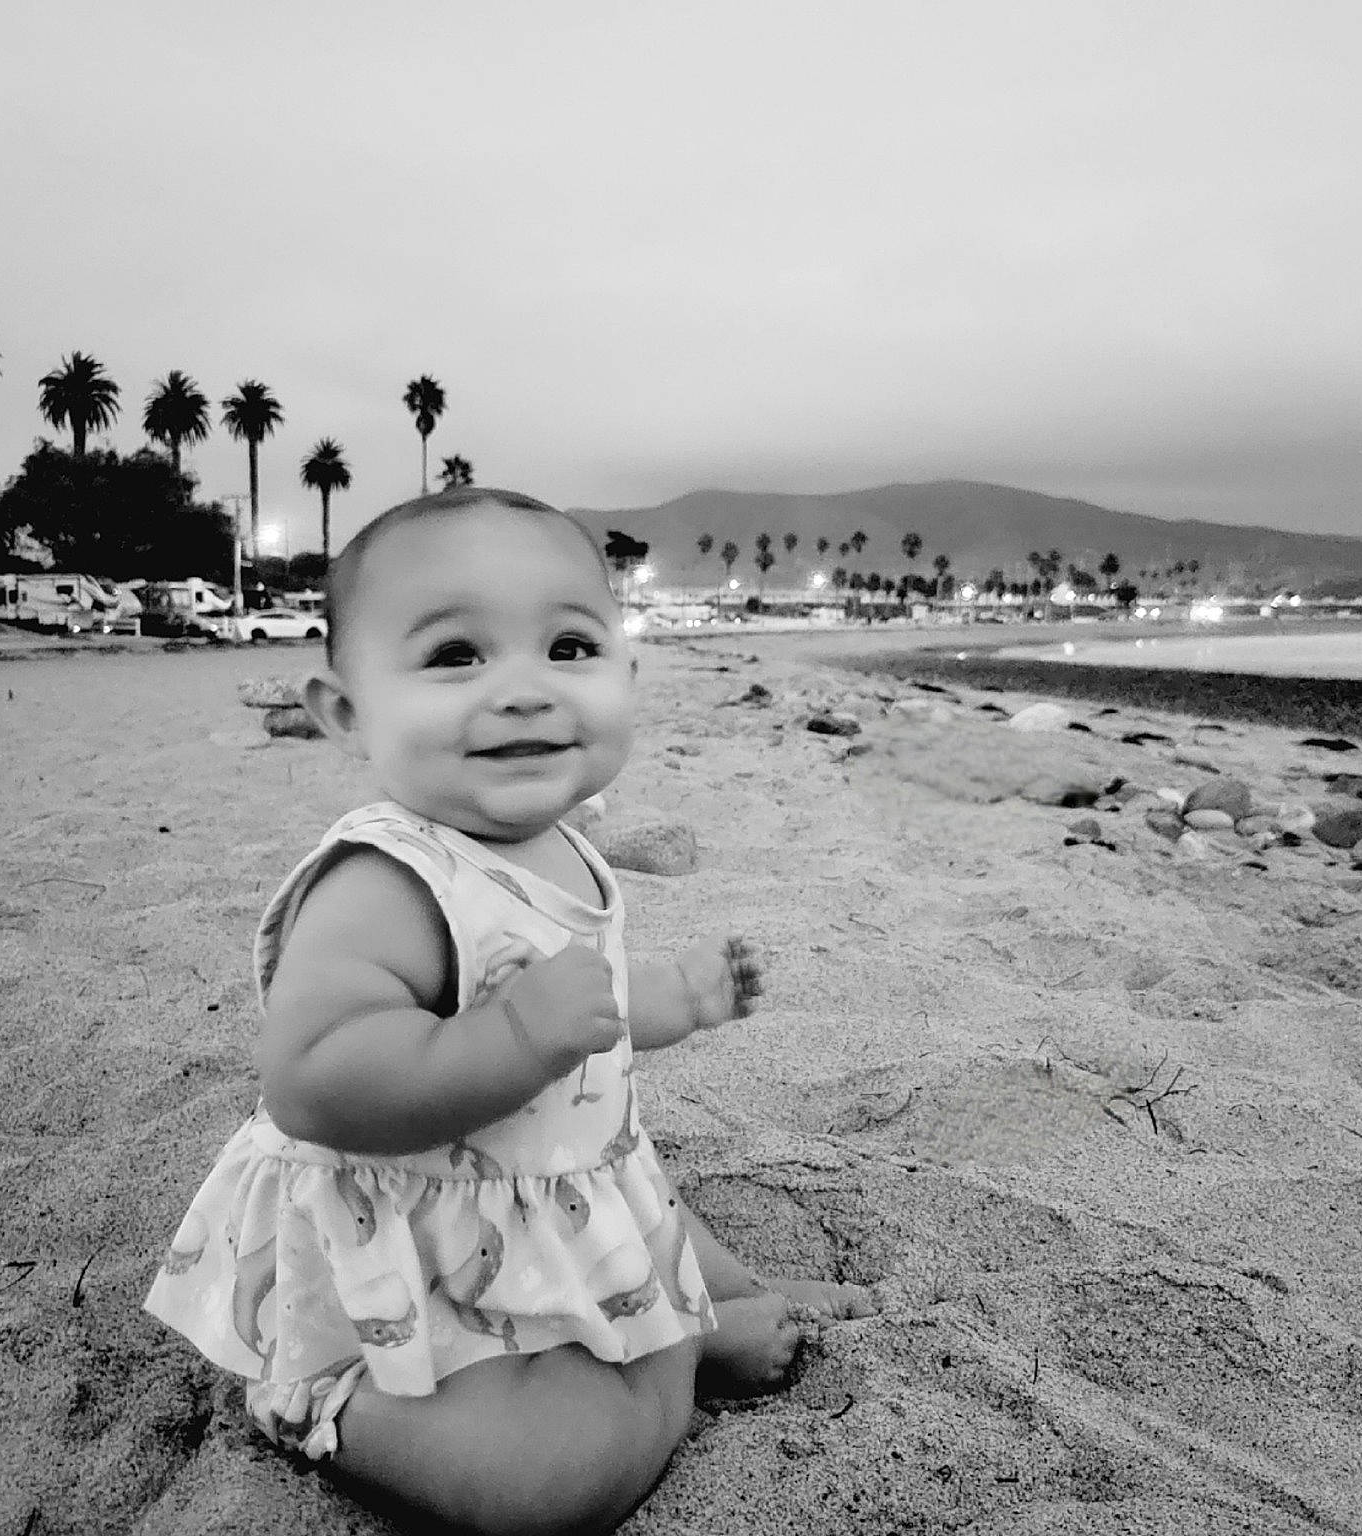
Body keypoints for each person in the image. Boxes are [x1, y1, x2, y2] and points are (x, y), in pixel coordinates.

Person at [145, 487, 876, 1535]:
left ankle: (712, 1301)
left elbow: (591, 1002)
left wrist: (679, 997)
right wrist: (516, 1037)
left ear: (628, 675)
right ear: (345, 712)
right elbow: (312, 1081)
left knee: (656, 1205)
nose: (525, 690)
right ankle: (331, 1397)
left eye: (569, 649)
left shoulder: (562, 841)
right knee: (535, 1487)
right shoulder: (382, 883)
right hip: (407, 1233)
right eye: (455, 656)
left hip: (556, 1187)